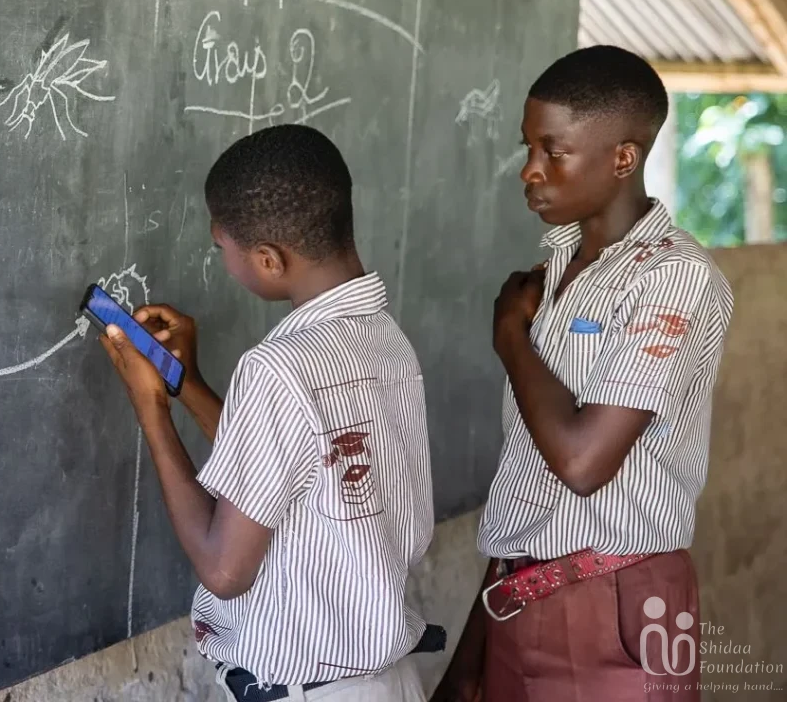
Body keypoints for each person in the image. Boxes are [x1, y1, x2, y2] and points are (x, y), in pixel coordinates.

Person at [100, 123, 443, 702]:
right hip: (386, 685)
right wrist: (188, 385)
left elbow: (225, 570)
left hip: (313, 690)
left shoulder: (278, 367)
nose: (224, 263)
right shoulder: (384, 339)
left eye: (222, 249)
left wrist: (151, 410)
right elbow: (289, 466)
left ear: (268, 259)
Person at [433, 46, 733, 702]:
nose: (529, 170)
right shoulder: (553, 273)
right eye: (528, 147)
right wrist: (471, 660)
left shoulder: (673, 278)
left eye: (554, 150)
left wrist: (510, 339)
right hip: (520, 596)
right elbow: (531, 479)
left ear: (623, 159)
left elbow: (581, 462)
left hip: (617, 604)